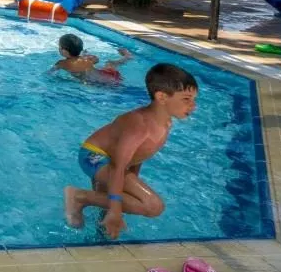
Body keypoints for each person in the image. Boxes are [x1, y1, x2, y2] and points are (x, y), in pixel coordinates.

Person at [64, 63, 198, 239]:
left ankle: (99, 238)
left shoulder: (164, 122)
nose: (193, 106)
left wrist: (126, 191)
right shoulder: (140, 126)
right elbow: (117, 167)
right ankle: (78, 197)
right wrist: (116, 208)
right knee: (153, 206)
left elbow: (138, 155)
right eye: (186, 99)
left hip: (111, 161)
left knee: (108, 218)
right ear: (162, 97)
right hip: (93, 156)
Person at [54, 33, 132, 82]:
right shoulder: (86, 59)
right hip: (111, 78)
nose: (59, 48)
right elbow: (96, 60)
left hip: (94, 84)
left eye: (60, 47)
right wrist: (86, 56)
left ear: (64, 51)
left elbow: (50, 74)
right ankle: (127, 56)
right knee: (110, 63)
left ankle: (128, 56)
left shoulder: (61, 63)